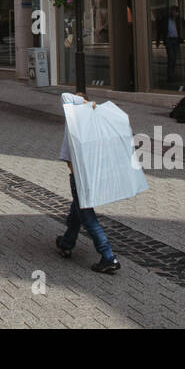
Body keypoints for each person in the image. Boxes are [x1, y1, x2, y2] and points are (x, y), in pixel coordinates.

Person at [54, 92, 122, 274]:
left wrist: (85, 103)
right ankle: (67, 243)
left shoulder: (78, 123)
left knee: (87, 217)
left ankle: (108, 256)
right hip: (87, 176)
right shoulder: (87, 126)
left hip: (80, 178)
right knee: (76, 211)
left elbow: (64, 96)